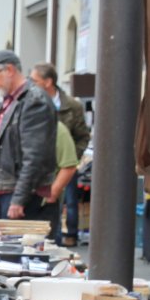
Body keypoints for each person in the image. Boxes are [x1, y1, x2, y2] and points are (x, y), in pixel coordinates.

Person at [0, 49, 57, 221]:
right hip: (4, 189)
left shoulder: (33, 100)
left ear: (9, 70)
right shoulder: (12, 101)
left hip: (14, 192)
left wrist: (19, 199)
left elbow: (34, 156)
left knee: (12, 238)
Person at [30, 64, 91, 245]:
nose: (31, 85)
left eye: (35, 81)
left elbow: (83, 136)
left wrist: (73, 157)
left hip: (65, 164)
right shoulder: (32, 102)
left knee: (69, 200)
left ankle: (70, 234)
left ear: (48, 82)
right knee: (47, 208)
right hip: (43, 167)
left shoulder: (72, 105)